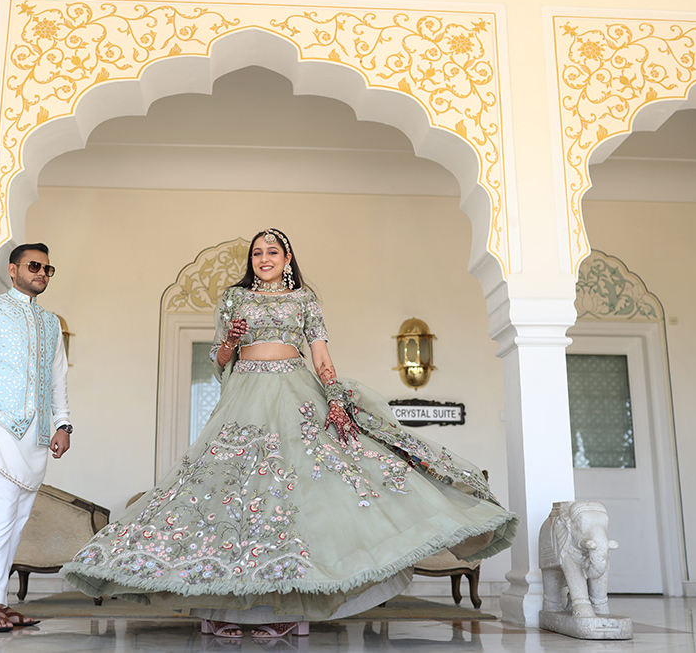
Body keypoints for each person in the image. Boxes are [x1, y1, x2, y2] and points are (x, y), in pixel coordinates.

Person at [62, 229, 517, 640]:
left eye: (272, 252)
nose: (264, 258)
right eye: (257, 253)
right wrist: (230, 341)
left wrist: (335, 400)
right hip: (244, 397)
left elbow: (321, 356)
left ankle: (288, 607)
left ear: (287, 258)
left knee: (293, 497)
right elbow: (219, 361)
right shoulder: (235, 298)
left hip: (294, 394)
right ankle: (222, 608)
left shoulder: (304, 300)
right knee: (228, 496)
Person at [0, 242, 73, 632]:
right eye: (34, 266)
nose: (41, 273)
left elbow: (58, 379)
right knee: (1, 517)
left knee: (18, 521)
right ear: (13, 269)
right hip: (1, 428)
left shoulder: (51, 322)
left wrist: (63, 424)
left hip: (37, 436)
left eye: (47, 268)